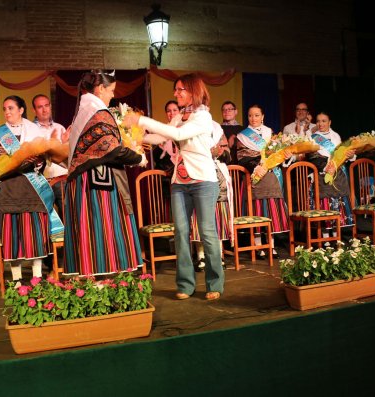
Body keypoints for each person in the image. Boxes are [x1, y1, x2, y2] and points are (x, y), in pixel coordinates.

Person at [124, 73, 224, 301]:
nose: (176, 93)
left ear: (193, 91)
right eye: (175, 90)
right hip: (180, 182)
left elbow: (178, 135)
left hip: (203, 181)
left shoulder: (203, 117)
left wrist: (141, 120)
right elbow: (161, 138)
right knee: (180, 232)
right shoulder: (180, 115)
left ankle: (214, 283)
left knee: (207, 233)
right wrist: (133, 138)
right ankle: (186, 285)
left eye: (181, 90)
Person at [64, 69, 146, 276]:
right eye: (111, 90)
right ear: (100, 89)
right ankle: (104, 274)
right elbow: (112, 150)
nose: (112, 95)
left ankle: (94, 275)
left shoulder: (84, 110)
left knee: (90, 228)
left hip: (84, 179)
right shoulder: (98, 112)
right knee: (101, 227)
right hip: (95, 183)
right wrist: (138, 157)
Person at [0, 95, 63, 285]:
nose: (7, 112)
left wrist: (20, 162)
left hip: (31, 190)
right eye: (5, 109)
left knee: (34, 234)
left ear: (21, 110)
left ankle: (37, 277)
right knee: (12, 236)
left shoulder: (35, 131)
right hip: (7, 191)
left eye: (11, 108)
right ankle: (17, 279)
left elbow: (41, 159)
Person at [236, 104, 291, 257]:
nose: (253, 118)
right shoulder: (243, 136)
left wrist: (283, 156)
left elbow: (277, 155)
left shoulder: (270, 133)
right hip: (254, 178)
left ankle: (271, 245)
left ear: (263, 116)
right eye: (250, 115)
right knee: (258, 211)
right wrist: (258, 165)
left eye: (256, 115)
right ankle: (259, 246)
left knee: (271, 212)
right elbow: (242, 157)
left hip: (271, 177)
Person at [191, 121, 233, 272]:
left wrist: (220, 151)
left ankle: (218, 255)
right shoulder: (191, 130)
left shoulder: (217, 130)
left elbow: (227, 154)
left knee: (218, 222)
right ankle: (201, 256)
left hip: (217, 180)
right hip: (198, 177)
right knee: (199, 221)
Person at [306, 111, 355, 230]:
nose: (320, 124)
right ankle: (326, 234)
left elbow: (341, 154)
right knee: (325, 203)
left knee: (337, 203)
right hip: (322, 173)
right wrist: (326, 166)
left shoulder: (336, 136)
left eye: (324, 121)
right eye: (318, 121)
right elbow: (311, 157)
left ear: (329, 122)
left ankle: (336, 233)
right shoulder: (312, 137)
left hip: (337, 174)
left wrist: (348, 154)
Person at [31, 94, 68, 217]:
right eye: (40, 107)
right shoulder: (30, 129)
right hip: (41, 180)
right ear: (34, 110)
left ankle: (69, 237)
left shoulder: (60, 128)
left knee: (67, 215)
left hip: (61, 179)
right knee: (45, 218)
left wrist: (66, 143)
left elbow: (66, 155)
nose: (44, 109)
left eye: (47, 105)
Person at [150, 100, 179, 172]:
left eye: (175, 110)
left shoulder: (184, 128)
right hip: (167, 171)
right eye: (169, 111)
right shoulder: (163, 130)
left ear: (180, 112)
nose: (172, 113)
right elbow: (155, 158)